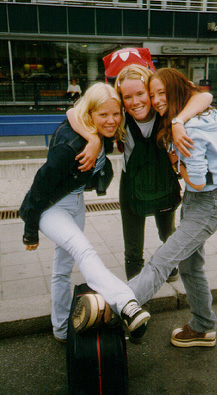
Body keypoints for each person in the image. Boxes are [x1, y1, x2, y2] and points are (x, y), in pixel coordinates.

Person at [19, 82, 150, 342]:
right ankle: (126, 304)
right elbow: (39, 186)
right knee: (84, 250)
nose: (112, 121)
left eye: (116, 114)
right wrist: (30, 231)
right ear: (90, 114)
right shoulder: (70, 145)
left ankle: (59, 330)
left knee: (62, 268)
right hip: (51, 207)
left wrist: (95, 138)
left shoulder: (97, 132)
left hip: (75, 203)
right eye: (103, 115)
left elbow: (73, 112)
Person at [67, 64, 213, 283]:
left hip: (163, 181)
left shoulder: (165, 111)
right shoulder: (121, 118)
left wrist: (178, 121)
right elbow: (72, 112)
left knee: (168, 234)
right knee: (133, 247)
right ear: (121, 100)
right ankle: (136, 296)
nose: (135, 102)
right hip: (132, 187)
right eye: (127, 97)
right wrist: (94, 139)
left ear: (150, 92)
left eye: (140, 94)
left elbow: (205, 97)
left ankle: (170, 267)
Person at [125, 68, 217, 347]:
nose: (157, 100)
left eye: (163, 93)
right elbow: (202, 95)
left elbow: (195, 182)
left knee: (162, 260)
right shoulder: (190, 116)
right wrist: (177, 121)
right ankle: (203, 326)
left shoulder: (190, 128)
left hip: (207, 202)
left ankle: (118, 303)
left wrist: (174, 160)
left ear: (176, 92)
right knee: (190, 267)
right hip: (200, 202)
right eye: (153, 94)